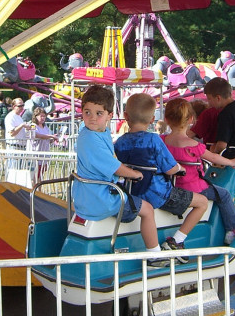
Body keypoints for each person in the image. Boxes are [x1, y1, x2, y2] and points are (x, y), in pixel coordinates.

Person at [72, 85, 169, 268]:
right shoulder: (90, 139)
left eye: (98, 113)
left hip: (90, 193)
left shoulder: (97, 133)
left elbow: (110, 160)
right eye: (87, 112)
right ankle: (155, 255)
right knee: (147, 209)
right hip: (100, 198)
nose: (92, 118)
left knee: (132, 200)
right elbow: (114, 167)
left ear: (109, 115)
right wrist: (136, 174)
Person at [114, 93, 208, 259]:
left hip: (134, 191)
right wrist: (180, 168)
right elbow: (170, 168)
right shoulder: (154, 140)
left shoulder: (120, 142)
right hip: (158, 193)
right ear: (152, 120)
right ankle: (177, 241)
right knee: (202, 202)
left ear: (126, 116)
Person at [163, 98, 235, 245]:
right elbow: (213, 157)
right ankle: (233, 229)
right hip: (193, 189)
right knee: (224, 194)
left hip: (170, 187)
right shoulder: (194, 145)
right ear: (191, 119)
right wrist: (231, 162)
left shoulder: (162, 141)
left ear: (166, 119)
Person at [29, 107, 58, 181]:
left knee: (41, 176)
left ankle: (39, 190)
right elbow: (36, 135)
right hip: (36, 155)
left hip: (45, 154)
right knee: (35, 176)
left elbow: (48, 139)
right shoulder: (32, 125)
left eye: (44, 116)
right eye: (41, 116)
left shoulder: (45, 127)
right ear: (35, 116)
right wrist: (50, 136)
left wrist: (53, 138)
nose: (43, 118)